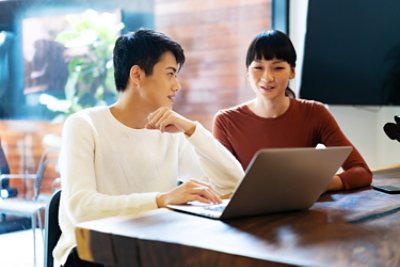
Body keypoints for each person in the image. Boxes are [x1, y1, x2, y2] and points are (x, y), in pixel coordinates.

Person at [54, 29, 244, 267]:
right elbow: (81, 209)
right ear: (137, 75)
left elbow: (234, 185)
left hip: (150, 249)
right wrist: (162, 200)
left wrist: (192, 130)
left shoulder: (170, 132)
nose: (177, 85)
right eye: (170, 74)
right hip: (89, 253)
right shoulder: (84, 125)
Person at [212, 30, 372, 192]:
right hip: (247, 213)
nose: (267, 77)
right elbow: (223, 186)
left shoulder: (315, 113)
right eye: (258, 67)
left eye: (278, 68)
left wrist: (321, 184)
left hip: (300, 210)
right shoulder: (226, 121)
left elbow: (361, 172)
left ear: (292, 72)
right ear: (247, 72)